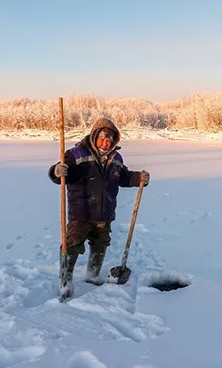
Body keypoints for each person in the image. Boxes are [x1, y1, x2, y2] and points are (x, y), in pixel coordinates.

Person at [48, 117, 150, 297]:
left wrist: (138, 178)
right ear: (94, 137)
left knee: (101, 244)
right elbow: (61, 173)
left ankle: (93, 275)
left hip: (104, 213)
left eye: (109, 140)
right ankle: (65, 280)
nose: (105, 143)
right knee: (71, 244)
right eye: (102, 139)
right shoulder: (76, 154)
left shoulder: (116, 158)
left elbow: (124, 177)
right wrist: (57, 171)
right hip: (81, 212)